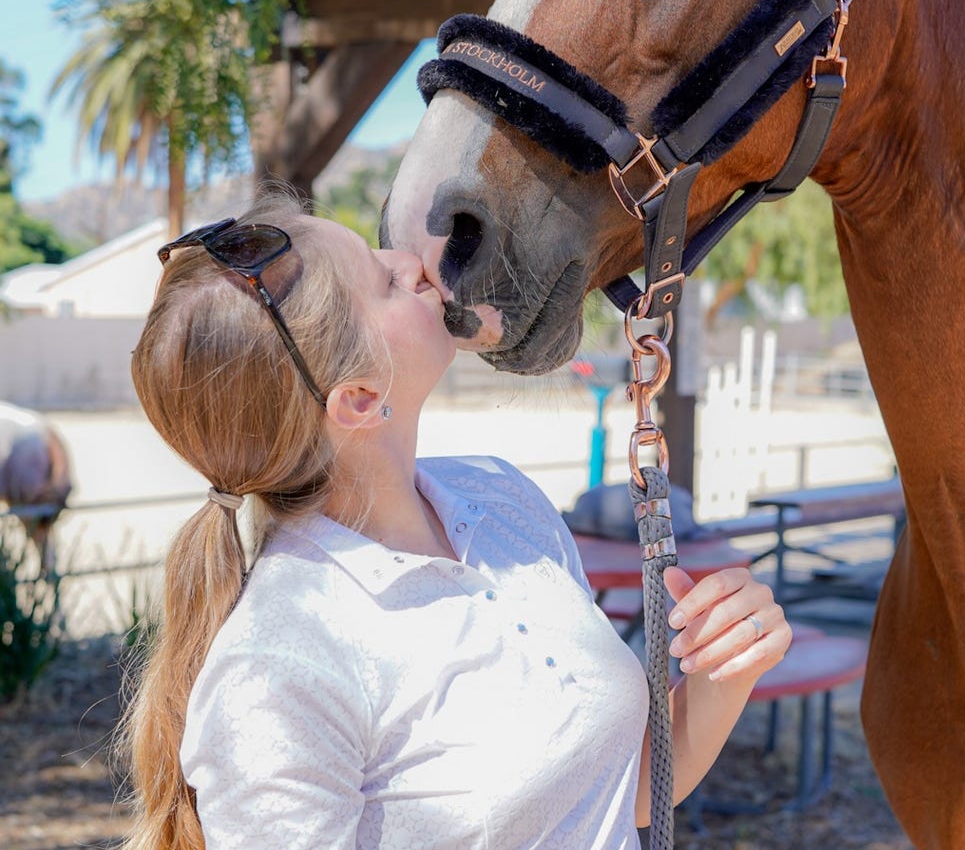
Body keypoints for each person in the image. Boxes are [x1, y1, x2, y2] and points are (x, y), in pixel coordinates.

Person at [121, 190, 790, 850]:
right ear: (357, 399)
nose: (409, 260)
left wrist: (721, 673)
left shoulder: (502, 499)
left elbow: (624, 786)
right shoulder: (277, 672)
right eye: (383, 280)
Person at [0, 398, 74, 573]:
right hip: (35, 456)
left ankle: (48, 573)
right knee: (41, 531)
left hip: (26, 464)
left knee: (38, 527)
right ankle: (49, 574)